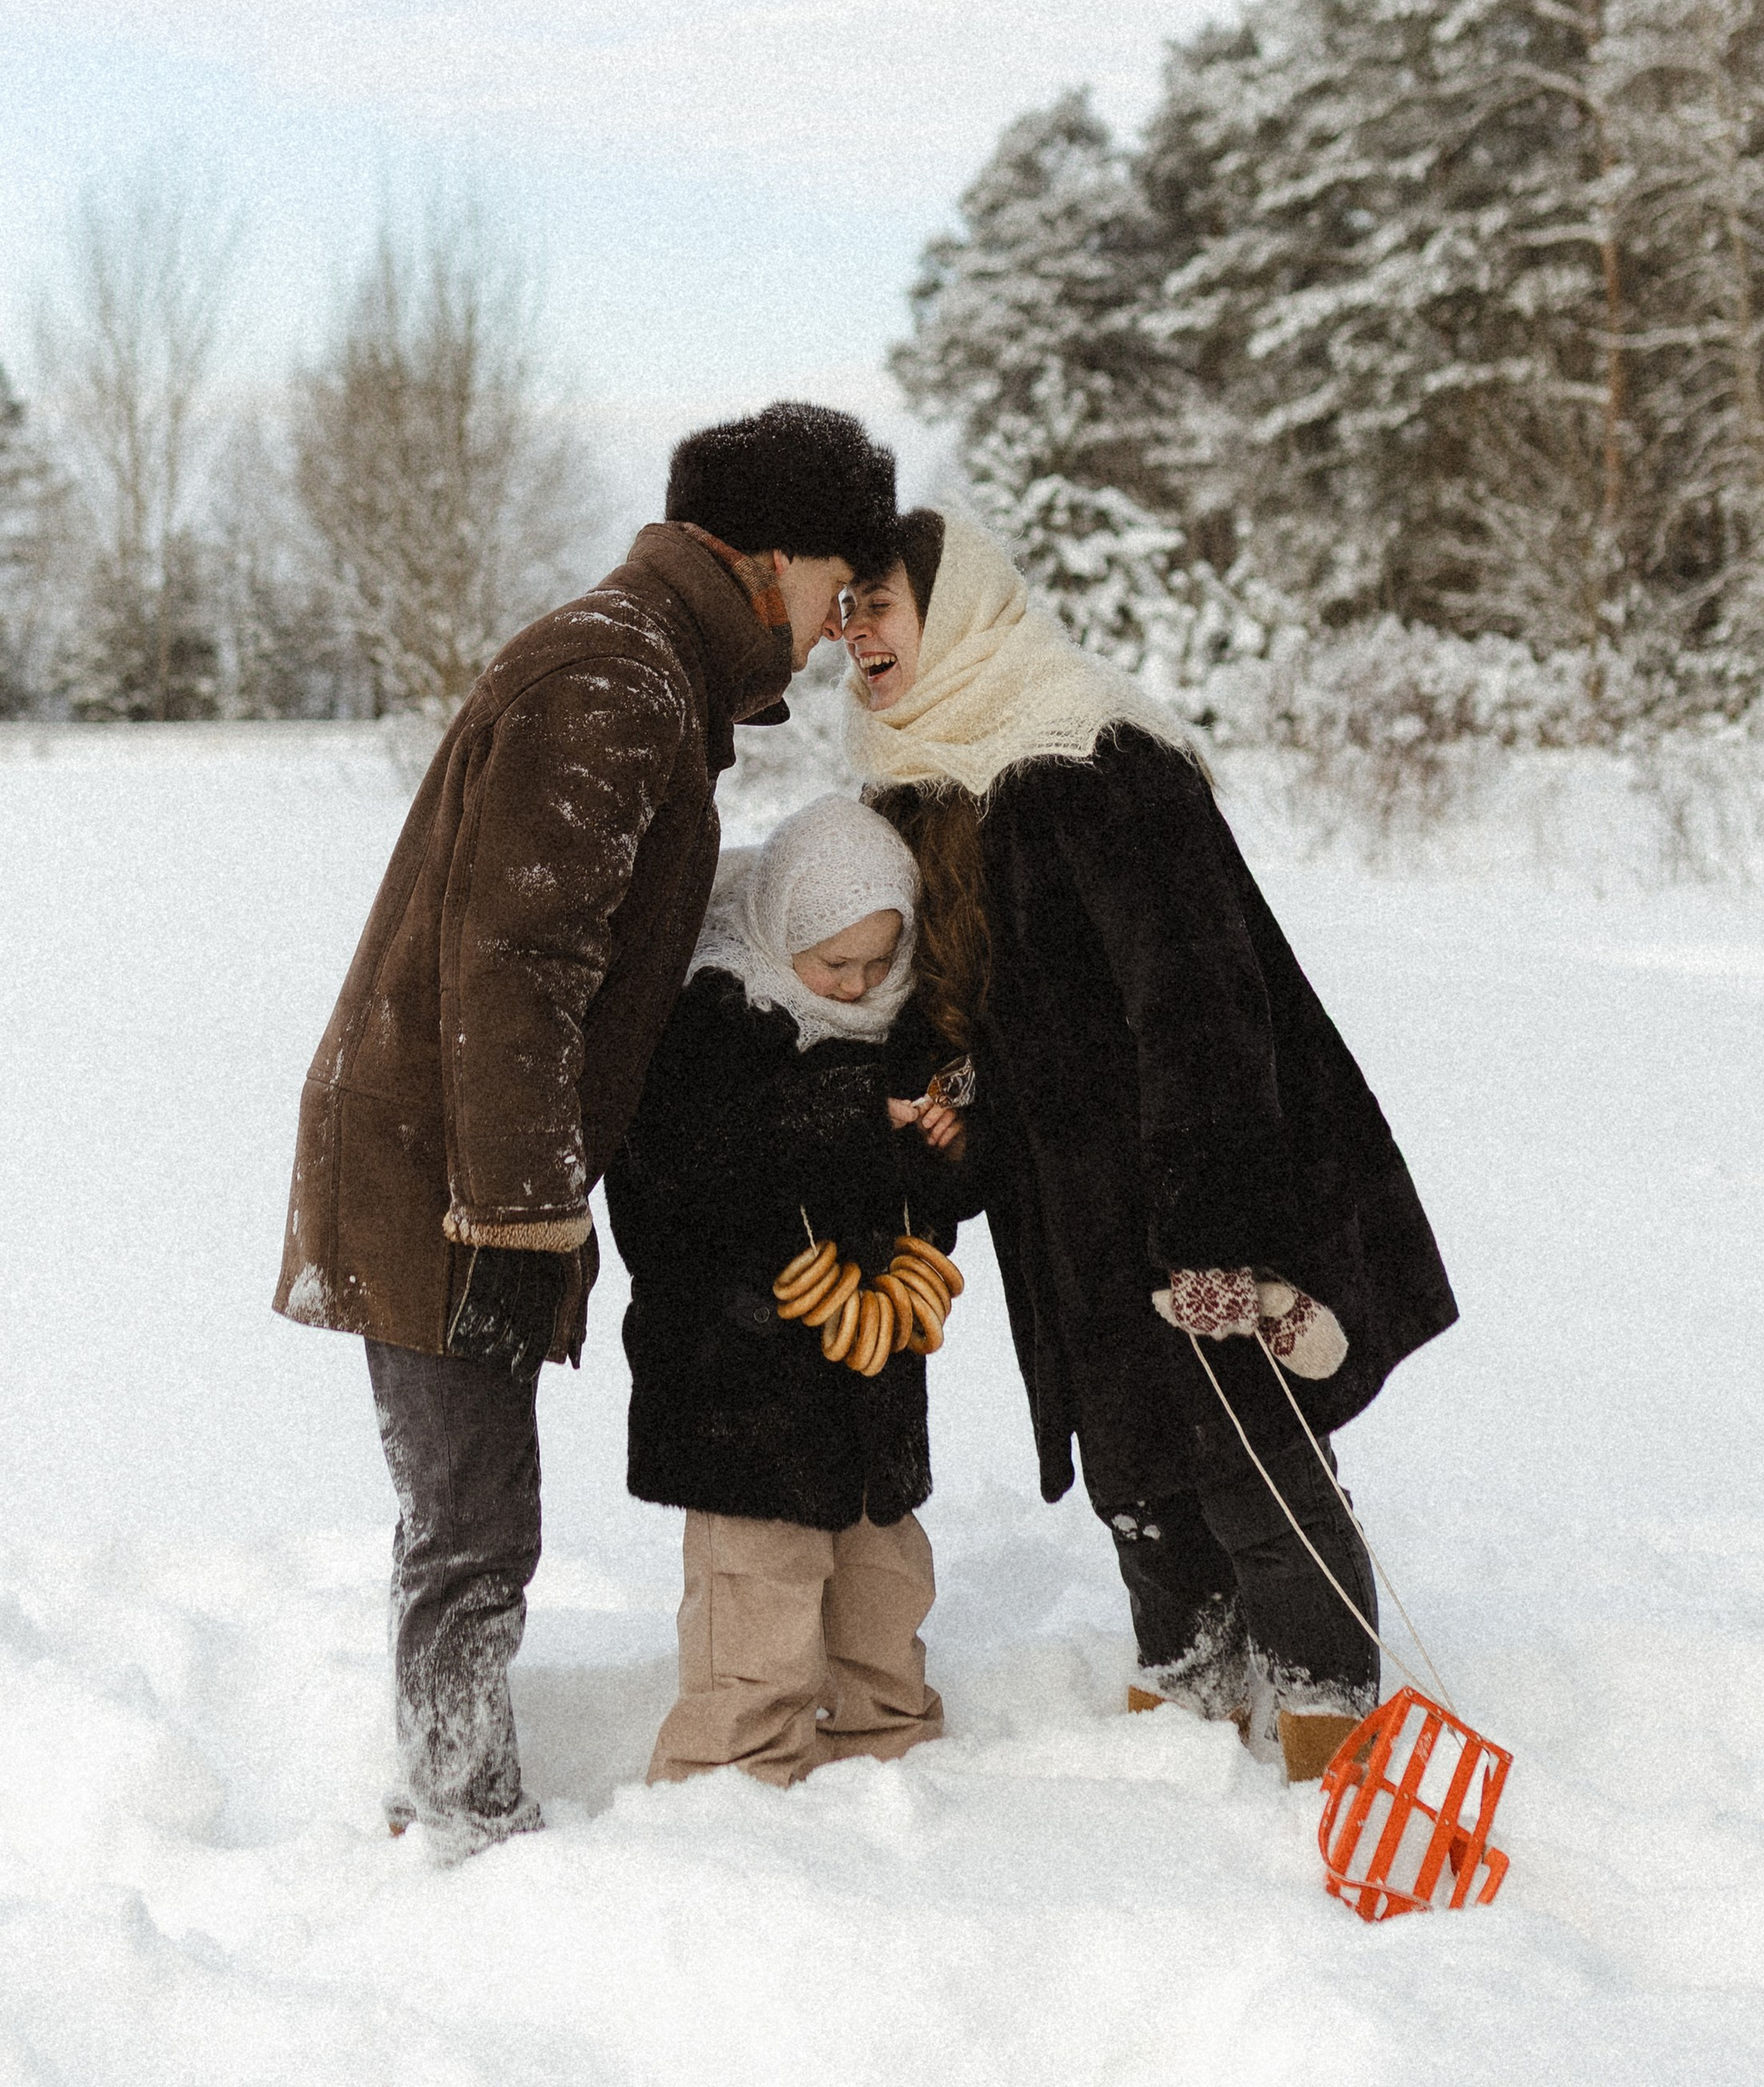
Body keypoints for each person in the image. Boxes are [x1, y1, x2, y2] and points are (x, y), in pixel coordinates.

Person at [272, 401, 899, 1857]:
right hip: (445, 1168)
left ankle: (449, 1792)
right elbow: (518, 958)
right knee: (472, 1520)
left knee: (470, 1510)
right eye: (832, 588)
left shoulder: (645, 670)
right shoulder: (616, 677)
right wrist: (520, 1206)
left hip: (464, 1157)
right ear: (772, 557)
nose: (829, 629)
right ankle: (458, 1812)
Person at [838, 508, 1456, 1784]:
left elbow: (1200, 994)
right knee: (1132, 1464)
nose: (856, 634)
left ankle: (1330, 1725)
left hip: (1202, 1165)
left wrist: (1215, 1224)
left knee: (1252, 1456)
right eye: (843, 610)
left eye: (880, 602)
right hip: (1065, 1203)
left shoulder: (1092, 746)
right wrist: (945, 1111)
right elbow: (950, 1004)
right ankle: (1189, 1693)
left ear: (954, 609)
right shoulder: (914, 776)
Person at [606, 795, 976, 1788]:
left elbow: (935, 1205)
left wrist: (943, 1156)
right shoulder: (713, 1019)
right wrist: (855, 1114)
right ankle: (729, 1788)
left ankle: (887, 1762)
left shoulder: (903, 1034)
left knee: (882, 1594)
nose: (855, 985)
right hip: (738, 1390)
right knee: (757, 1605)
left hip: (868, 1383)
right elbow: (685, 1167)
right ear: (780, 930)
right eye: (833, 964)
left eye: (875, 964)